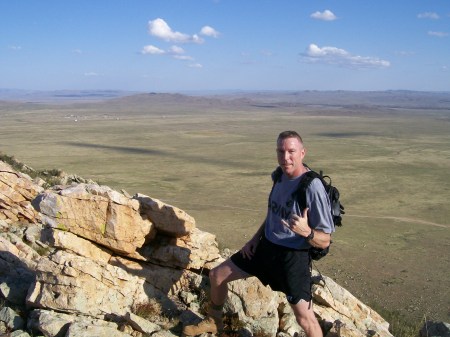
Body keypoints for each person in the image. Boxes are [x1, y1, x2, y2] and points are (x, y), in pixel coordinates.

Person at [183, 130, 335, 337]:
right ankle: (214, 321)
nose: (285, 157)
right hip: (265, 248)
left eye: (291, 151)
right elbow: (273, 212)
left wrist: (306, 232)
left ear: (302, 153)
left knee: (305, 319)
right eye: (281, 151)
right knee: (217, 275)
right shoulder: (279, 175)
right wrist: (254, 239)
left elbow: (325, 240)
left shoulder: (312, 186)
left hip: (292, 259)